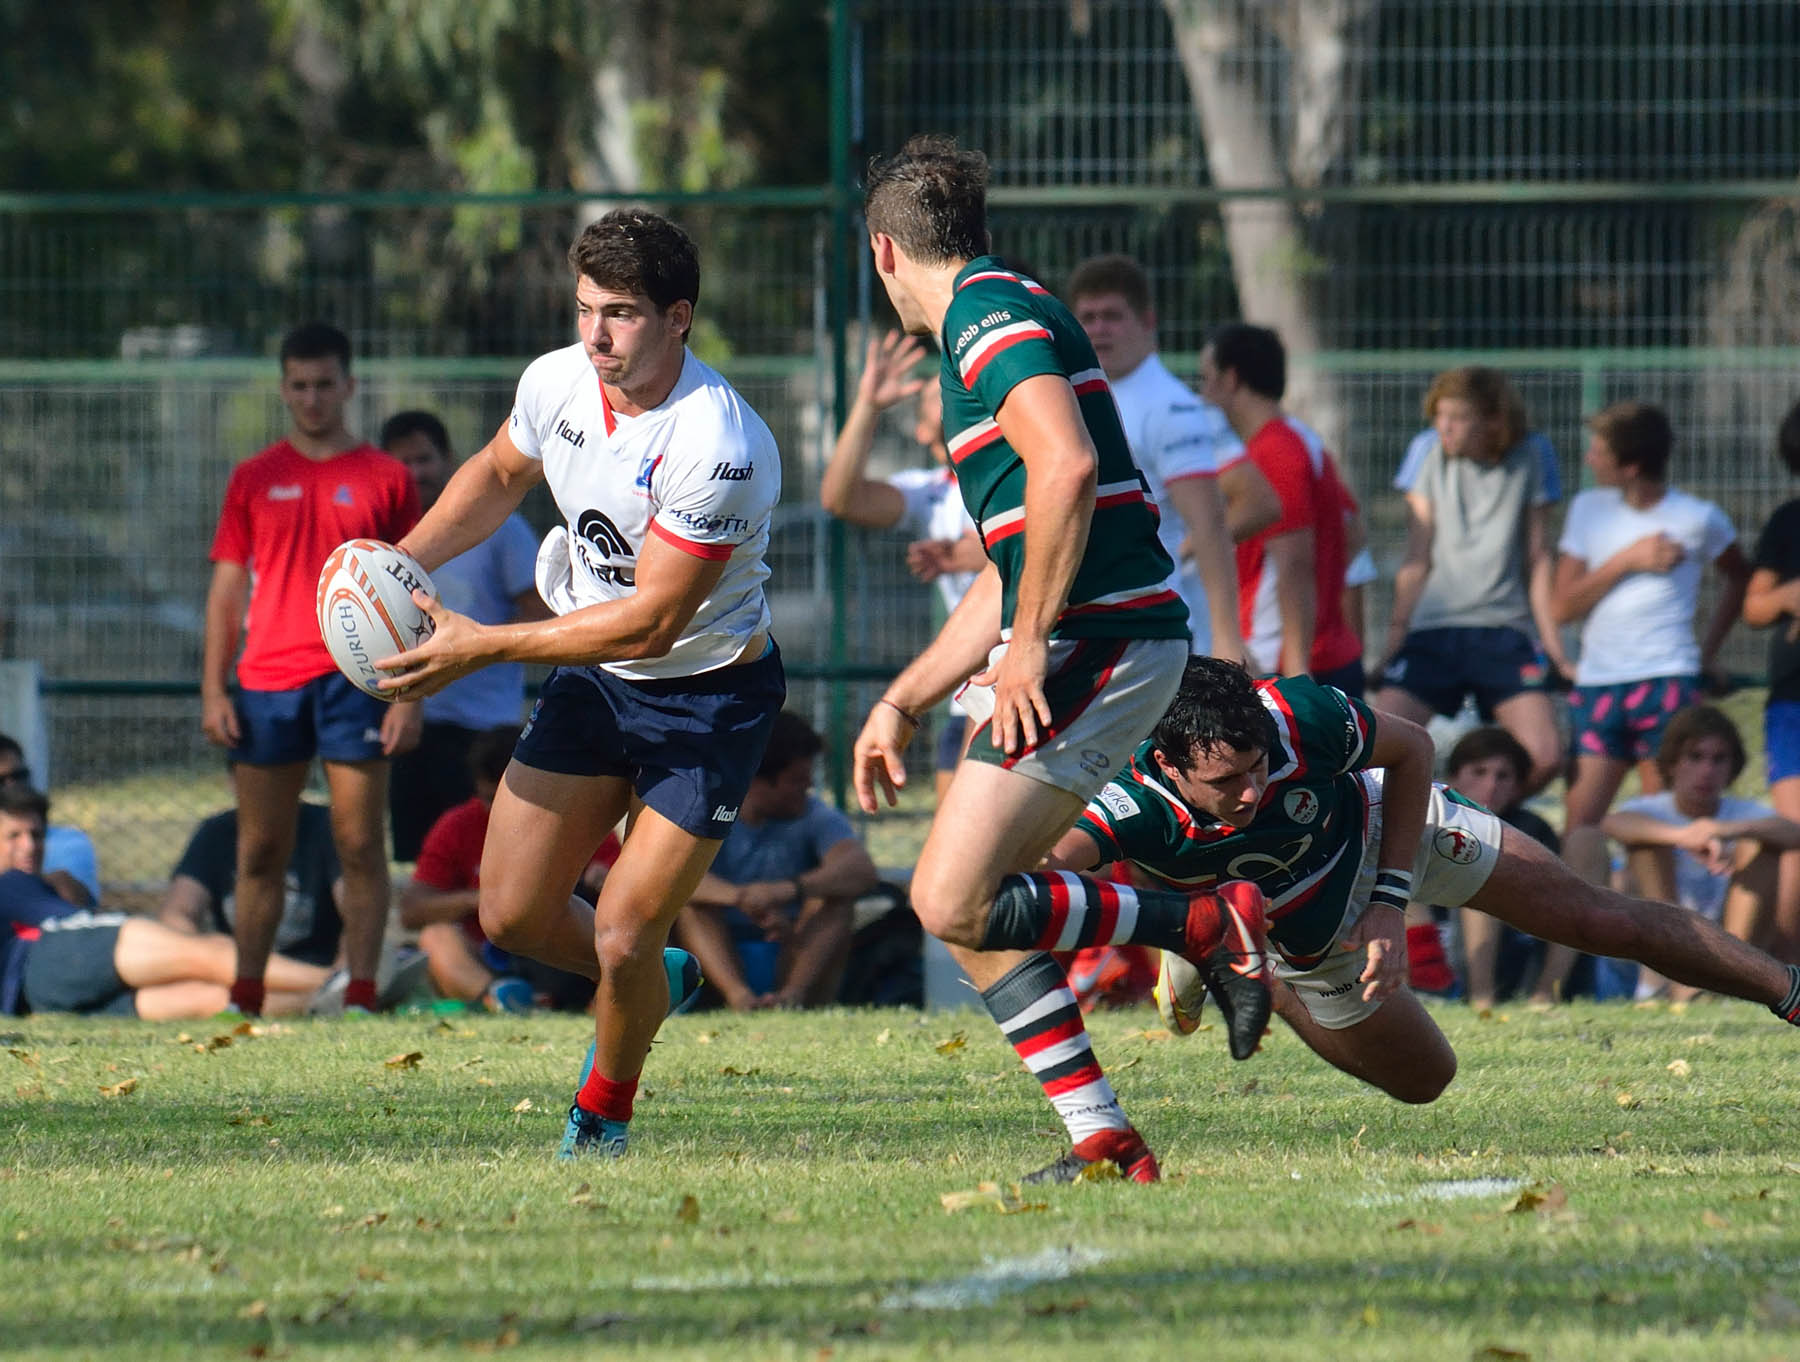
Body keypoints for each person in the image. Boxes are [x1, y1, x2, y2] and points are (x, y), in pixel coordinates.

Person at [851, 135, 1270, 1186]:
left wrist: (1031, 643)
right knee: (972, 901)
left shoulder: (990, 323)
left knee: (950, 898)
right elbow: (1011, 556)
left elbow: (1069, 466)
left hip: (1097, 640)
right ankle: (1105, 1139)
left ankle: (1197, 924)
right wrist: (906, 698)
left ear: (884, 252)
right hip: (1107, 637)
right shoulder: (995, 317)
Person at [372, 209, 779, 1160]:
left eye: (623, 315)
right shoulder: (558, 379)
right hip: (596, 681)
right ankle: (653, 980)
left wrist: (487, 647)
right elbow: (495, 474)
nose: (596, 335)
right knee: (508, 913)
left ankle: (604, 1110)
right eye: (587, 308)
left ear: (680, 317)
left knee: (626, 932)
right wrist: (398, 567)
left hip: (705, 697)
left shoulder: (718, 442)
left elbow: (653, 619)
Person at [1046, 657, 1800, 1110]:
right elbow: (1045, 874)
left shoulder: (1296, 713)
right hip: (1294, 923)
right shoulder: (1126, 802)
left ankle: (1788, 990)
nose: (1251, 790)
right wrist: (1167, 921)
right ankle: (1247, 965)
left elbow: (1412, 749)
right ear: (1170, 767)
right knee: (1424, 1082)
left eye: (1259, 768)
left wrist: (1388, 902)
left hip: (1384, 824)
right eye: (1225, 781)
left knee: (1601, 919)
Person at [200, 321, 422, 1016]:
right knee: (262, 849)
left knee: (360, 844)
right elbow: (228, 587)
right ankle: (246, 994)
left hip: (359, 684)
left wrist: (409, 695)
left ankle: (361, 993)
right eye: (300, 386)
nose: (313, 398)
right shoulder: (254, 478)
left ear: (349, 386)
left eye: (326, 384)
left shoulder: (386, 477)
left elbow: (413, 589)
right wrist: (213, 687)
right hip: (266, 682)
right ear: (283, 389)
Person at [1535, 400, 1750, 1004]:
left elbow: (1739, 574)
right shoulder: (1588, 511)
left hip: (1669, 680)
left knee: (1668, 827)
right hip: (1601, 685)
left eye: (1600, 450)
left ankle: (1682, 973)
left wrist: (1710, 650)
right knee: (1581, 829)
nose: (1590, 459)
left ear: (1630, 464)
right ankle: (1556, 980)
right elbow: (1562, 605)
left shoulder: (1698, 517)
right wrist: (1628, 561)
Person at [1065, 253, 1280, 659]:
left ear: (1148, 322)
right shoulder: (1079, 398)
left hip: (1153, 635)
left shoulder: (1168, 406)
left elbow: (1212, 524)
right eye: (1088, 318)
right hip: (1092, 627)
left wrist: (1227, 639)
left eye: (1112, 316)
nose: (1099, 329)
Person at [1374, 368, 1571, 793]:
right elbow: (1417, 555)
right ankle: (1435, 824)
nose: (1444, 426)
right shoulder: (1426, 449)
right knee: (1371, 751)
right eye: (1439, 415)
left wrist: (1555, 650)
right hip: (1432, 630)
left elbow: (1538, 557)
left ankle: (1477, 837)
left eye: (1458, 417)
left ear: (1494, 421)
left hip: (1504, 630)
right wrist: (1392, 644)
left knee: (1546, 756)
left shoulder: (1534, 453)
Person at [0, 784, 334, 1019]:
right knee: (205, 955)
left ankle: (331, 1000)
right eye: (13, 836)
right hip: (52, 960)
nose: (29, 847)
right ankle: (346, 983)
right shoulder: (13, 884)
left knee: (207, 999)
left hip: (34, 998)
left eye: (38, 835)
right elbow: (80, 922)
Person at [820, 331, 986, 800]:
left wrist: (964, 554)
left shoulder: (1014, 471)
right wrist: (868, 407)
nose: (955, 391)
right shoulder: (931, 490)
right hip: (968, 691)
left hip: (1035, 674)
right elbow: (841, 498)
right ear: (922, 427)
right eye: (938, 393)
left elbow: (1032, 541)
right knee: (958, 839)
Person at [380, 411, 549, 861]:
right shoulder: (382, 534)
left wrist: (475, 647)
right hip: (410, 726)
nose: (415, 473)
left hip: (481, 728)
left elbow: (538, 612)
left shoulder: (498, 527)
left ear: (448, 459)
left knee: (488, 858)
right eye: (402, 462)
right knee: (425, 862)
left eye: (424, 459)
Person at [401, 725, 622, 1014]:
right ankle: (500, 1000)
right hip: (491, 960)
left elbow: (631, 898)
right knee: (435, 937)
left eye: (509, 800)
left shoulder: (578, 818)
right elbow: (412, 911)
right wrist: (480, 900)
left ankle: (606, 996)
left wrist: (606, 880)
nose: (497, 810)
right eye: (489, 799)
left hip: (561, 954)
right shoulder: (458, 825)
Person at [1198, 323, 1364, 695]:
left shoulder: (1273, 452)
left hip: (1280, 661)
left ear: (1231, 379)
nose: (1203, 394)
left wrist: (1297, 669)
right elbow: (1354, 534)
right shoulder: (1302, 439)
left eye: (1207, 379)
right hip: (1323, 653)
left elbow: (1293, 561)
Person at [675, 711, 878, 1011]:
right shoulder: (706, 812)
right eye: (796, 780)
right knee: (690, 908)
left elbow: (859, 869)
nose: (806, 788)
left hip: (792, 946)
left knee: (835, 903)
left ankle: (790, 998)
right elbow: (671, 878)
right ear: (756, 779)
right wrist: (742, 899)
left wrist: (788, 890)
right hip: (717, 952)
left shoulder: (813, 815)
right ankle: (740, 997)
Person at [1604, 705, 1800, 999]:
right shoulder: (1652, 809)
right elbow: (1612, 824)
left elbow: (1793, 833)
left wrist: (1720, 830)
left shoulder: (1741, 812)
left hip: (1730, 938)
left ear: (1733, 767)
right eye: (1695, 757)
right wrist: (1684, 836)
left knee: (1766, 847)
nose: (1707, 771)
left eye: (1719, 759)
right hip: (1660, 938)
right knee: (1644, 846)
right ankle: (1664, 974)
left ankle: (1733, 976)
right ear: (1671, 763)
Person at [1426, 726, 1562, 1011]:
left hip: (1513, 950)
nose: (1490, 786)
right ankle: (1456, 992)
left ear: (1517, 787)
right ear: (1453, 776)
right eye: (1479, 772)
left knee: (1478, 870)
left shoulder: (1532, 830)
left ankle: (1526, 994)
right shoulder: (1427, 820)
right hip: (1433, 947)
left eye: (1503, 776)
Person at [156, 768, 343, 970]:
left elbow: (356, 913)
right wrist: (196, 956)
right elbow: (177, 913)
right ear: (232, 781)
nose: (265, 791)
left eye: (275, 778)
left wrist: (343, 971)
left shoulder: (327, 826)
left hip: (313, 965)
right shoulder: (216, 832)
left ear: (301, 779)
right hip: (233, 967)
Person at [1740, 395, 1800, 960]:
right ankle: (1789, 970)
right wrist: (1788, 594)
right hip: (1794, 704)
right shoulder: (1788, 523)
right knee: (1796, 833)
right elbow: (1754, 609)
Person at [0, 735, 97, 906]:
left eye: (19, 776)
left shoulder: (67, 843)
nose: (12, 786)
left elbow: (75, 904)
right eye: (0, 782)